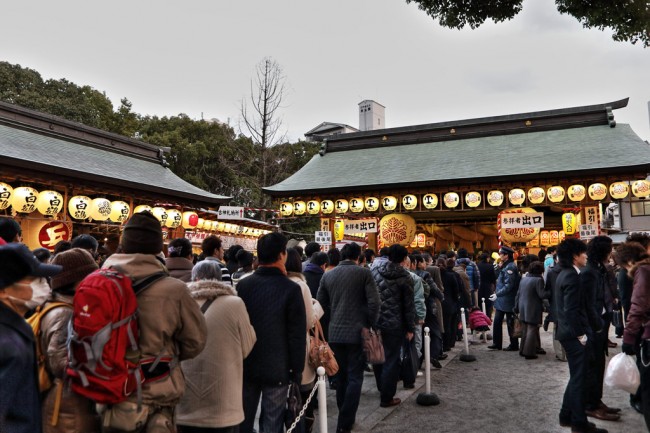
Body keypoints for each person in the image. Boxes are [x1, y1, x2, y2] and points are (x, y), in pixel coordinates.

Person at [102, 211, 207, 432]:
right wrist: (165, 354)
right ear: (158, 247)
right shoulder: (174, 290)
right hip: (154, 394)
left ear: (124, 243)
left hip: (106, 391)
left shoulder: (96, 282)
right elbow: (196, 341)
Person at [237, 232, 306, 433]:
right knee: (272, 423)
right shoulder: (291, 289)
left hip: (247, 363)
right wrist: (297, 370)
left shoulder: (243, 285)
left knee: (244, 421)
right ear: (282, 255)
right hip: (279, 367)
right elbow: (296, 334)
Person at [177, 260, 256, 433]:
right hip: (223, 402)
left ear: (194, 278)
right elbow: (248, 346)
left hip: (184, 397)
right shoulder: (234, 304)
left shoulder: (180, 302)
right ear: (220, 279)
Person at [317, 242, 380, 433]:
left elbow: (320, 304)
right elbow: (375, 302)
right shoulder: (364, 273)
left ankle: (344, 417)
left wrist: (330, 323)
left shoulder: (328, 275)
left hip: (335, 332)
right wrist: (370, 323)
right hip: (358, 331)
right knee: (355, 377)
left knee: (340, 377)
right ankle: (345, 421)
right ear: (358, 256)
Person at [0, 242, 62, 433]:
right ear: (3, 290)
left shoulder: (14, 330)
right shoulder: (9, 345)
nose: (43, 284)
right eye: (33, 279)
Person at [40, 248, 101, 432]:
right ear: (77, 280)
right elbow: (61, 364)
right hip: (69, 409)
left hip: (70, 404)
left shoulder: (65, 306)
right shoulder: (65, 313)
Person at [555, 238, 606, 433]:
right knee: (580, 379)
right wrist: (581, 335)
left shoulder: (564, 274)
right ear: (575, 256)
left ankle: (566, 415)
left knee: (576, 377)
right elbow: (571, 311)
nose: (586, 256)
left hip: (568, 334)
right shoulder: (572, 277)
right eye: (583, 253)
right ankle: (578, 422)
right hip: (574, 336)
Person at [581, 236, 620, 421]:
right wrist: (594, 327)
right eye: (610, 248)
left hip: (601, 322)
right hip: (593, 326)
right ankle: (591, 404)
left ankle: (597, 400)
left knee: (599, 364)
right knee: (593, 365)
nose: (612, 252)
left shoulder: (601, 268)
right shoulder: (589, 272)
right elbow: (588, 303)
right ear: (603, 251)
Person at [371, 244, 415, 408]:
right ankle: (387, 396)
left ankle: (382, 387)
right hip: (395, 324)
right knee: (391, 359)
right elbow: (408, 306)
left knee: (377, 356)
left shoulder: (375, 272)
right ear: (404, 259)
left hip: (375, 321)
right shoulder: (405, 276)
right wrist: (410, 328)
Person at [285, 248, 320, 433]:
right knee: (304, 395)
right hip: (299, 346)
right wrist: (317, 308)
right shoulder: (300, 285)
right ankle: (303, 426)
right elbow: (308, 321)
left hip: (278, 351)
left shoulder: (278, 282)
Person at [616, 242, 650, 429]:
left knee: (647, 382)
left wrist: (629, 337)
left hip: (648, 333)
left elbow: (637, 307)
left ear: (629, 260)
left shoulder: (642, 272)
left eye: (623, 266)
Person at [488, 246, 521, 351]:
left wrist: (497, 294)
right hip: (502, 299)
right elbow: (499, 278)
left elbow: (509, 285)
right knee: (497, 321)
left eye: (501, 254)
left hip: (507, 299)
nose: (500, 255)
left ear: (506, 255)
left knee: (510, 322)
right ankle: (497, 343)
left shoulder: (510, 267)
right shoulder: (505, 265)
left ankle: (514, 344)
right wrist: (497, 267)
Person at [514, 261, 547, 359]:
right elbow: (542, 294)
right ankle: (529, 352)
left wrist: (516, 307)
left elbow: (518, 294)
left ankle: (522, 350)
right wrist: (550, 292)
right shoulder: (538, 280)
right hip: (533, 307)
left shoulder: (524, 279)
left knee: (525, 330)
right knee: (532, 329)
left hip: (522, 307)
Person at [439, 257, 460, 352]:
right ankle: (447, 345)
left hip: (439, 303)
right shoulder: (451, 276)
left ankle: (439, 345)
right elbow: (456, 290)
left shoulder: (434, 275)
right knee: (449, 325)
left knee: (440, 325)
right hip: (450, 303)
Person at [477, 252, 497, 318]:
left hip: (480, 286)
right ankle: (488, 316)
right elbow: (493, 278)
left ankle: (481, 317)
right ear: (487, 258)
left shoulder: (478, 265)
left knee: (480, 301)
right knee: (488, 302)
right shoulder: (490, 266)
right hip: (488, 286)